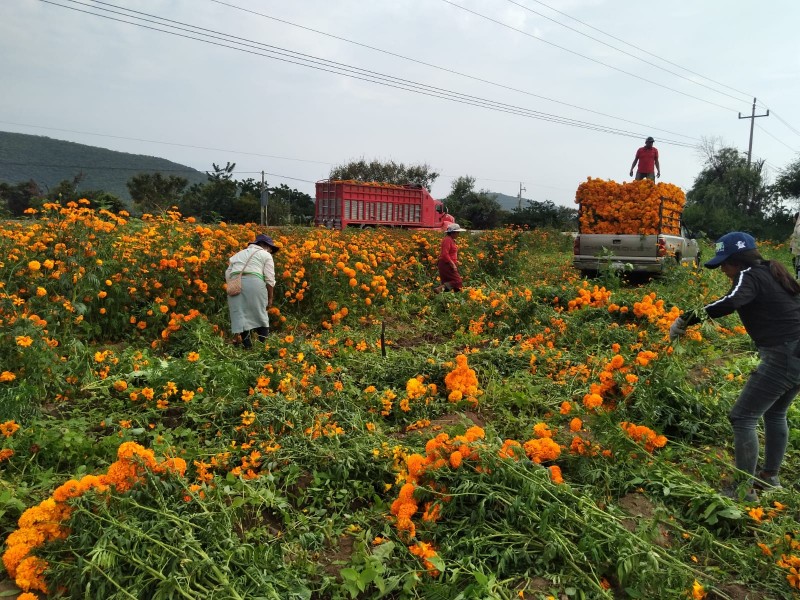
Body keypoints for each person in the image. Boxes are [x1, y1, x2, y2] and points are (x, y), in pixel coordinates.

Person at [670, 232, 800, 501]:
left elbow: (730, 302)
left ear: (737, 260)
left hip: (784, 354)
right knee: (776, 414)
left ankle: (744, 491)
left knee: (742, 416)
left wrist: (686, 318)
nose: (723, 271)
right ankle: (769, 478)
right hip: (795, 351)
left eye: (724, 264)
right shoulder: (773, 271)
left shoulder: (748, 275)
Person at [226, 233, 279, 349]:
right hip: (254, 283)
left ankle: (248, 347)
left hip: (235, 283)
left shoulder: (238, 255)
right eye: (270, 248)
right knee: (261, 314)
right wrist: (270, 298)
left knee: (241, 316)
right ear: (264, 245)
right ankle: (262, 346)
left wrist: (235, 283)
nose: (270, 251)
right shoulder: (265, 255)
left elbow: (228, 273)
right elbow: (270, 279)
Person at [434, 223, 466, 293]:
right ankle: (440, 288)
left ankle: (447, 300)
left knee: (450, 285)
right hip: (446, 264)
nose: (458, 234)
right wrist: (452, 264)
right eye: (458, 232)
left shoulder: (451, 240)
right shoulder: (447, 240)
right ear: (453, 233)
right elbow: (445, 254)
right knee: (457, 281)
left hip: (447, 264)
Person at [790, 212, 800, 279]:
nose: (793, 219)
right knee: (796, 263)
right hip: (797, 250)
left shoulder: (799, 226)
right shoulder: (797, 226)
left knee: (798, 265)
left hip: (799, 250)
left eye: (794, 217)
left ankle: (798, 278)